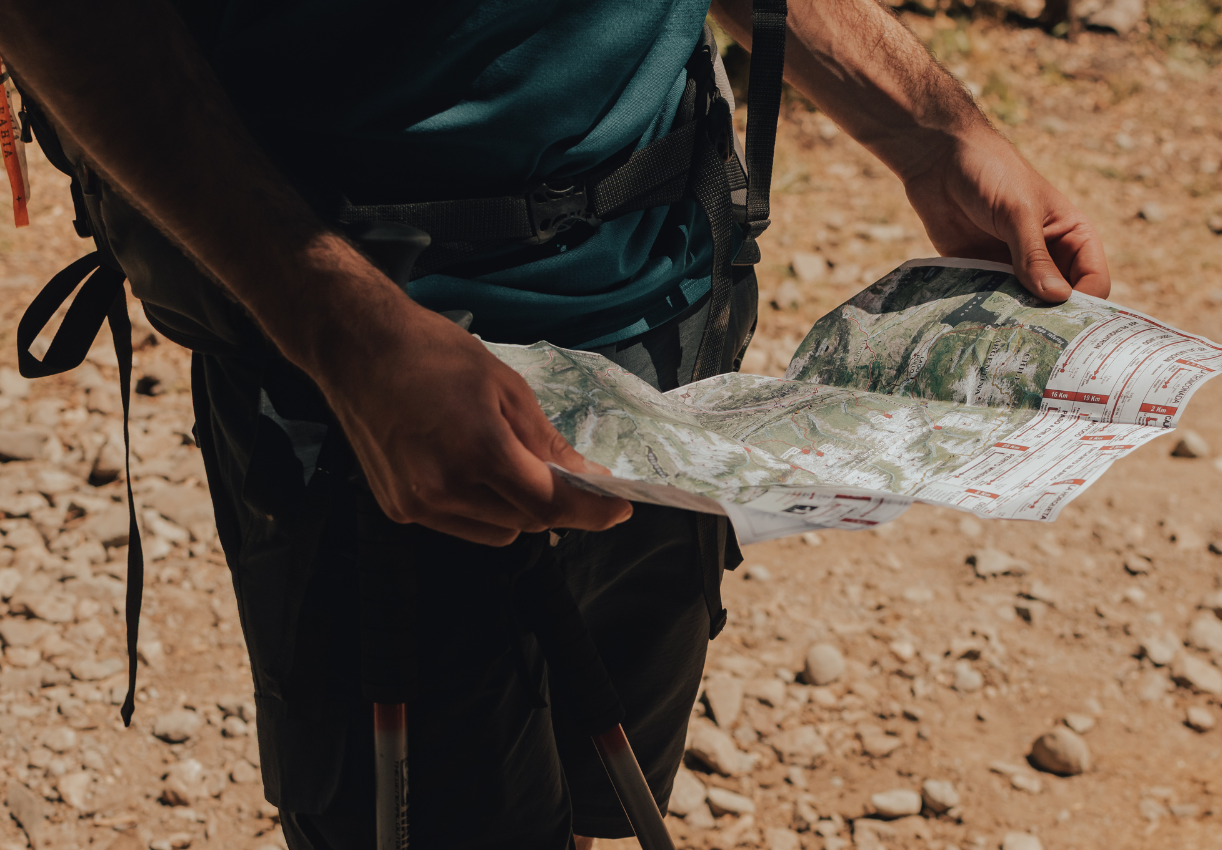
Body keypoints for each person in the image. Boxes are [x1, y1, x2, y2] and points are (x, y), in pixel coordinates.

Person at [0, 1, 1110, 846]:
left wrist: (928, 128)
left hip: (672, 332)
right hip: (371, 399)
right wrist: (342, 334)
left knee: (599, 787)